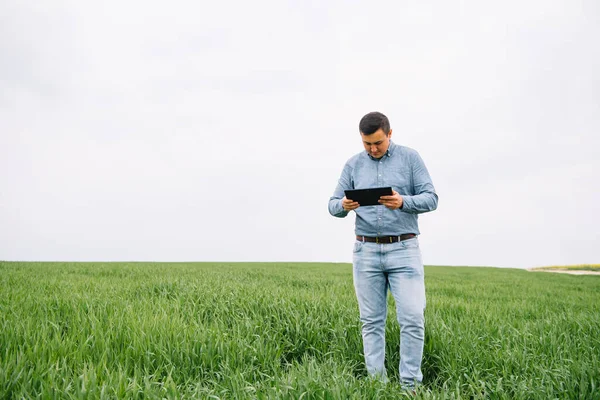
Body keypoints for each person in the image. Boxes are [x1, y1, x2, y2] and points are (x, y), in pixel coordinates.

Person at [328, 111, 438, 389]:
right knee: (371, 322)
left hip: (404, 248)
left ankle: (410, 387)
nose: (373, 149)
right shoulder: (353, 165)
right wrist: (343, 206)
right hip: (366, 251)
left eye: (378, 142)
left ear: (389, 134)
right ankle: (377, 386)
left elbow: (431, 198)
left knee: (412, 318)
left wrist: (403, 202)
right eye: (367, 144)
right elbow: (331, 204)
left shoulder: (411, 159)